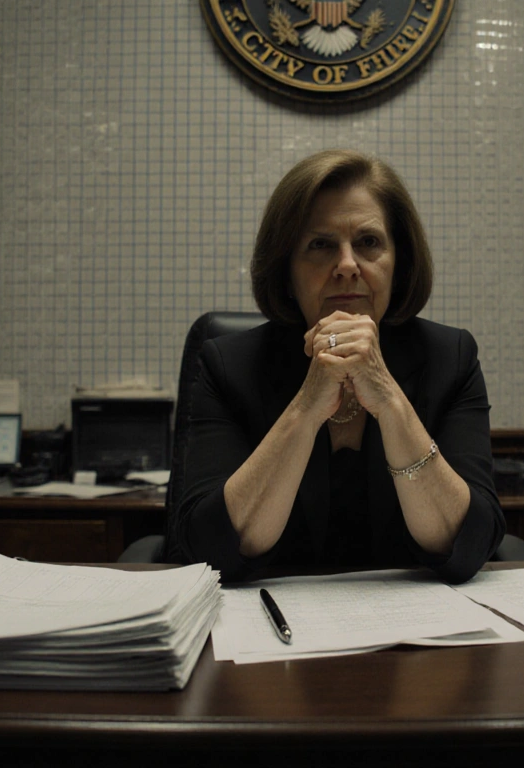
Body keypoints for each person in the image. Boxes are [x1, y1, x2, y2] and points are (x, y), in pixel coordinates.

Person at [171, 149, 504, 583]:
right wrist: (308, 405)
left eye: (368, 242)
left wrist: (386, 396)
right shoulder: (227, 366)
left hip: (415, 629)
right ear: (286, 270)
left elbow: (469, 546)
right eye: (320, 245)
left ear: (397, 263)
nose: (347, 266)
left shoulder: (450, 358)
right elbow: (211, 552)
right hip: (272, 630)